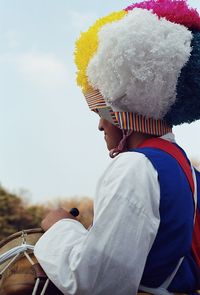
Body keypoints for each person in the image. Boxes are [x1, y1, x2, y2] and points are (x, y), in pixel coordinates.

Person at [34, 0, 200, 294]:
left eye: (100, 113)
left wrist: (60, 227)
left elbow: (96, 282)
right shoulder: (187, 169)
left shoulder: (136, 166)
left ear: (119, 114)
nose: (100, 126)